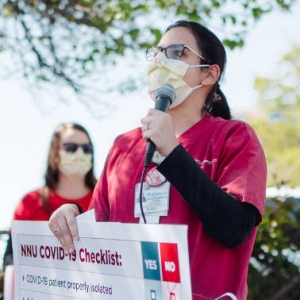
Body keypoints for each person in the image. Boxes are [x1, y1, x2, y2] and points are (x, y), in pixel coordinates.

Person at [48, 21, 267, 300]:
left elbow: (234, 229)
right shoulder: (123, 146)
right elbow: (100, 235)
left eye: (177, 52)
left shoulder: (234, 137)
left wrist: (173, 153)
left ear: (209, 74)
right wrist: (72, 214)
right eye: (157, 53)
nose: (161, 61)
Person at [3, 122, 97, 269]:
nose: (80, 154)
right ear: (54, 153)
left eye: (86, 148)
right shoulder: (30, 203)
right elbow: (11, 260)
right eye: (70, 148)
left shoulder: (106, 200)